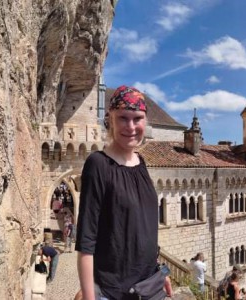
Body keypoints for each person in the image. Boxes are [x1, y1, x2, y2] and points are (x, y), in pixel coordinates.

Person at [76, 85, 160, 300]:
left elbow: (145, 227)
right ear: (110, 119)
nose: (131, 126)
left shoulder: (141, 162)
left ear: (145, 121)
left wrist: (160, 273)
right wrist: (88, 297)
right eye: (123, 118)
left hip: (149, 288)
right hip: (114, 292)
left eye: (137, 118)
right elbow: (86, 241)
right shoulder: (98, 164)